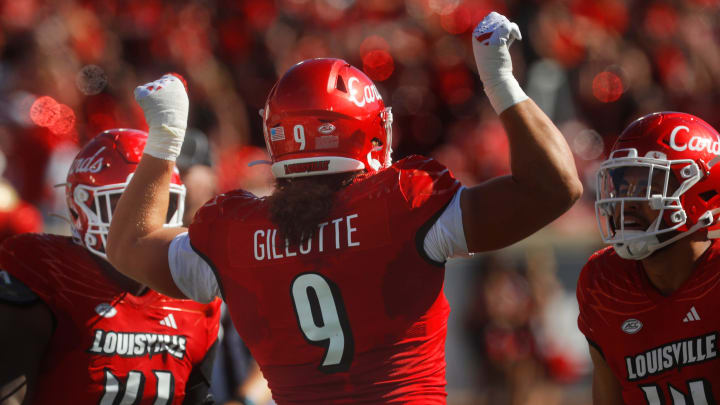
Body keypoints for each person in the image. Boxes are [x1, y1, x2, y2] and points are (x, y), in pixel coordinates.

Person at [107, 12, 582, 404]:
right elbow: (555, 186)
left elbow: (128, 246)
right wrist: (501, 83)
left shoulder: (236, 231)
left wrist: (165, 139)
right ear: (368, 130)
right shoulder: (402, 202)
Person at [0, 129, 222, 405]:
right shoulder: (44, 273)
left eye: (158, 203)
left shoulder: (192, 298)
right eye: (122, 205)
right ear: (83, 205)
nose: (143, 220)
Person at [577, 111, 720, 404]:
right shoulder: (604, 283)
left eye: (645, 186)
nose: (624, 204)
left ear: (700, 191)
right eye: (621, 186)